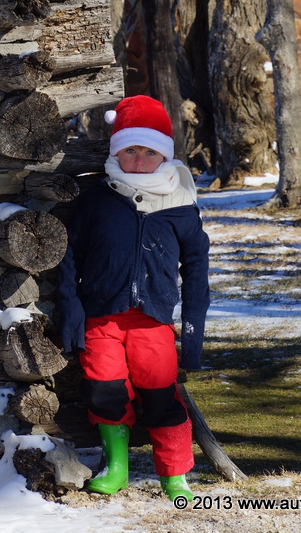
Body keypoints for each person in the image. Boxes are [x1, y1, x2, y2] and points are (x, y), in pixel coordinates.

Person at [57, 95, 210, 503]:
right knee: (104, 390)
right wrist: (72, 311)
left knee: (160, 393)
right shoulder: (98, 200)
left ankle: (174, 474)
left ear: (164, 156)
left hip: (153, 320)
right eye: (130, 151)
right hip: (101, 317)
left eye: (149, 152)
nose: (139, 161)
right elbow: (70, 257)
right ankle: (116, 467)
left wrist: (193, 333)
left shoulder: (181, 206)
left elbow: (197, 270)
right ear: (116, 152)